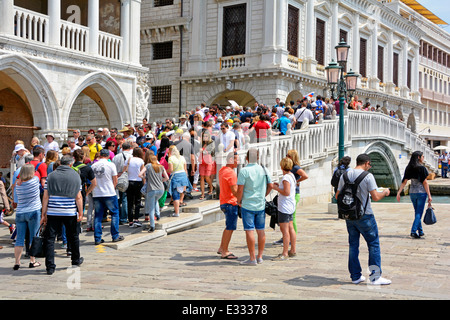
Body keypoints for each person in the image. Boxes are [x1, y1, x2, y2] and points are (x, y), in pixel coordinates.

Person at [335, 153, 391, 285]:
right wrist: (385, 192)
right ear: (366, 163)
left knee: (353, 245)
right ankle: (375, 277)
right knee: (373, 244)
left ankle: (355, 276)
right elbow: (376, 197)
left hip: (349, 215)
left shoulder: (345, 175)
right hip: (365, 215)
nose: (369, 167)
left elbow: (338, 195)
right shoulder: (368, 176)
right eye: (369, 165)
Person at [41, 155, 84, 275]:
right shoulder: (76, 176)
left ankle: (50, 266)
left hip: (53, 211)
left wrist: (43, 213)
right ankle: (75, 259)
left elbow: (46, 196)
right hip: (69, 211)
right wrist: (80, 212)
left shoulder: (51, 175)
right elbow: (78, 196)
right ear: (71, 164)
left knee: (50, 239)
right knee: (73, 236)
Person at [236, 148, 273, 266]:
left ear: (246, 158)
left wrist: (238, 201)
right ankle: (260, 256)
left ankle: (252, 258)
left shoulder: (244, 171)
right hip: (260, 204)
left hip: (248, 204)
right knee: (261, 230)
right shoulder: (263, 169)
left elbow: (240, 189)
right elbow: (271, 185)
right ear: (258, 157)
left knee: (249, 230)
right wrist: (264, 195)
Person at [91, 149, 125, 245]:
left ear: (100, 155)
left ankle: (97, 238)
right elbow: (115, 180)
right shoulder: (111, 165)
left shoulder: (93, 166)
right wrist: (112, 189)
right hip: (109, 192)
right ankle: (115, 235)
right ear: (108, 156)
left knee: (98, 216)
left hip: (97, 193)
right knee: (114, 213)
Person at [396, 151, 433, 238]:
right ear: (419, 157)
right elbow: (425, 183)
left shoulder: (409, 167)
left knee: (417, 212)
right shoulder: (422, 168)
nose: (424, 158)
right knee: (419, 213)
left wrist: (399, 192)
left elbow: (404, 181)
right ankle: (413, 231)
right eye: (423, 156)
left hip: (412, 192)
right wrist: (429, 195)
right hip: (421, 192)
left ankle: (420, 231)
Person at [12, 164, 41, 269]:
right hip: (33, 211)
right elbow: (37, 175)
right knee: (33, 237)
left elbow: (18, 181)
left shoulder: (18, 184)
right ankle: (32, 260)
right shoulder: (35, 180)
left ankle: (17, 262)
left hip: (20, 212)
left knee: (19, 238)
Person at [271, 157, 297, 261]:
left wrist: (275, 188)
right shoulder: (292, 176)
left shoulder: (286, 178)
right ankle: (293, 250)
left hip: (284, 206)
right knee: (290, 228)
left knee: (285, 230)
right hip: (290, 205)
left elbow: (286, 192)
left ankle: (285, 252)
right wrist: (279, 187)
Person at [217, 152, 240, 260]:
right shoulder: (231, 173)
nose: (238, 162)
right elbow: (235, 191)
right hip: (230, 203)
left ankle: (222, 247)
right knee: (230, 227)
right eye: (236, 159)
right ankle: (225, 251)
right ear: (231, 159)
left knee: (228, 227)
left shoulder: (222, 170)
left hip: (224, 201)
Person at [139, 154, 169, 232]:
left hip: (151, 189)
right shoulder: (161, 166)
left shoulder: (148, 166)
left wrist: (145, 177)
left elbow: (140, 174)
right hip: (161, 189)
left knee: (151, 208)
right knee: (155, 200)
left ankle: (152, 226)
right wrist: (160, 181)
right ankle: (158, 214)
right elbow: (167, 177)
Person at [167, 145, 190, 217]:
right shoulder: (182, 157)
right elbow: (185, 169)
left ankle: (177, 213)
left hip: (176, 177)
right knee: (181, 192)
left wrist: (164, 171)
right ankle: (179, 205)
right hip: (183, 176)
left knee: (175, 195)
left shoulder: (170, 158)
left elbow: (170, 170)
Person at [125, 147, 145, 227]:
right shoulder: (140, 161)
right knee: (137, 201)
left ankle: (130, 221)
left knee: (129, 202)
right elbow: (142, 173)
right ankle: (136, 219)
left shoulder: (128, 159)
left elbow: (124, 170)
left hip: (129, 181)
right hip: (138, 182)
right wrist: (144, 184)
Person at [198, 130, 215, 200]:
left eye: (206, 136)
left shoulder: (212, 143)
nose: (205, 137)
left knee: (207, 177)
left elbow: (211, 151)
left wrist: (204, 151)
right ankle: (202, 194)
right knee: (202, 178)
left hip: (208, 161)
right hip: (202, 161)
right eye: (203, 136)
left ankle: (211, 187)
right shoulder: (201, 144)